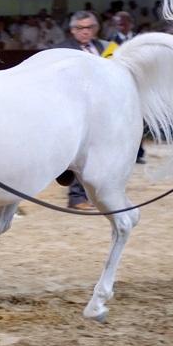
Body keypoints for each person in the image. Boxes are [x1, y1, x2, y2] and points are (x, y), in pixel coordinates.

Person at [55, 11, 110, 210]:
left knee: (97, 156)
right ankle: (77, 197)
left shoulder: (105, 47)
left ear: (95, 29)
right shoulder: (61, 50)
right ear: (72, 30)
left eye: (89, 28)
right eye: (80, 28)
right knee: (80, 155)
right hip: (73, 112)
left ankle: (92, 194)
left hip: (101, 111)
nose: (85, 32)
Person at [111, 12, 146, 164]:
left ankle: (138, 152)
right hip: (120, 85)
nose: (121, 26)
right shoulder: (111, 42)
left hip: (139, 83)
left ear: (130, 23)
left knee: (139, 120)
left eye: (124, 23)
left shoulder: (139, 40)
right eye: (118, 23)